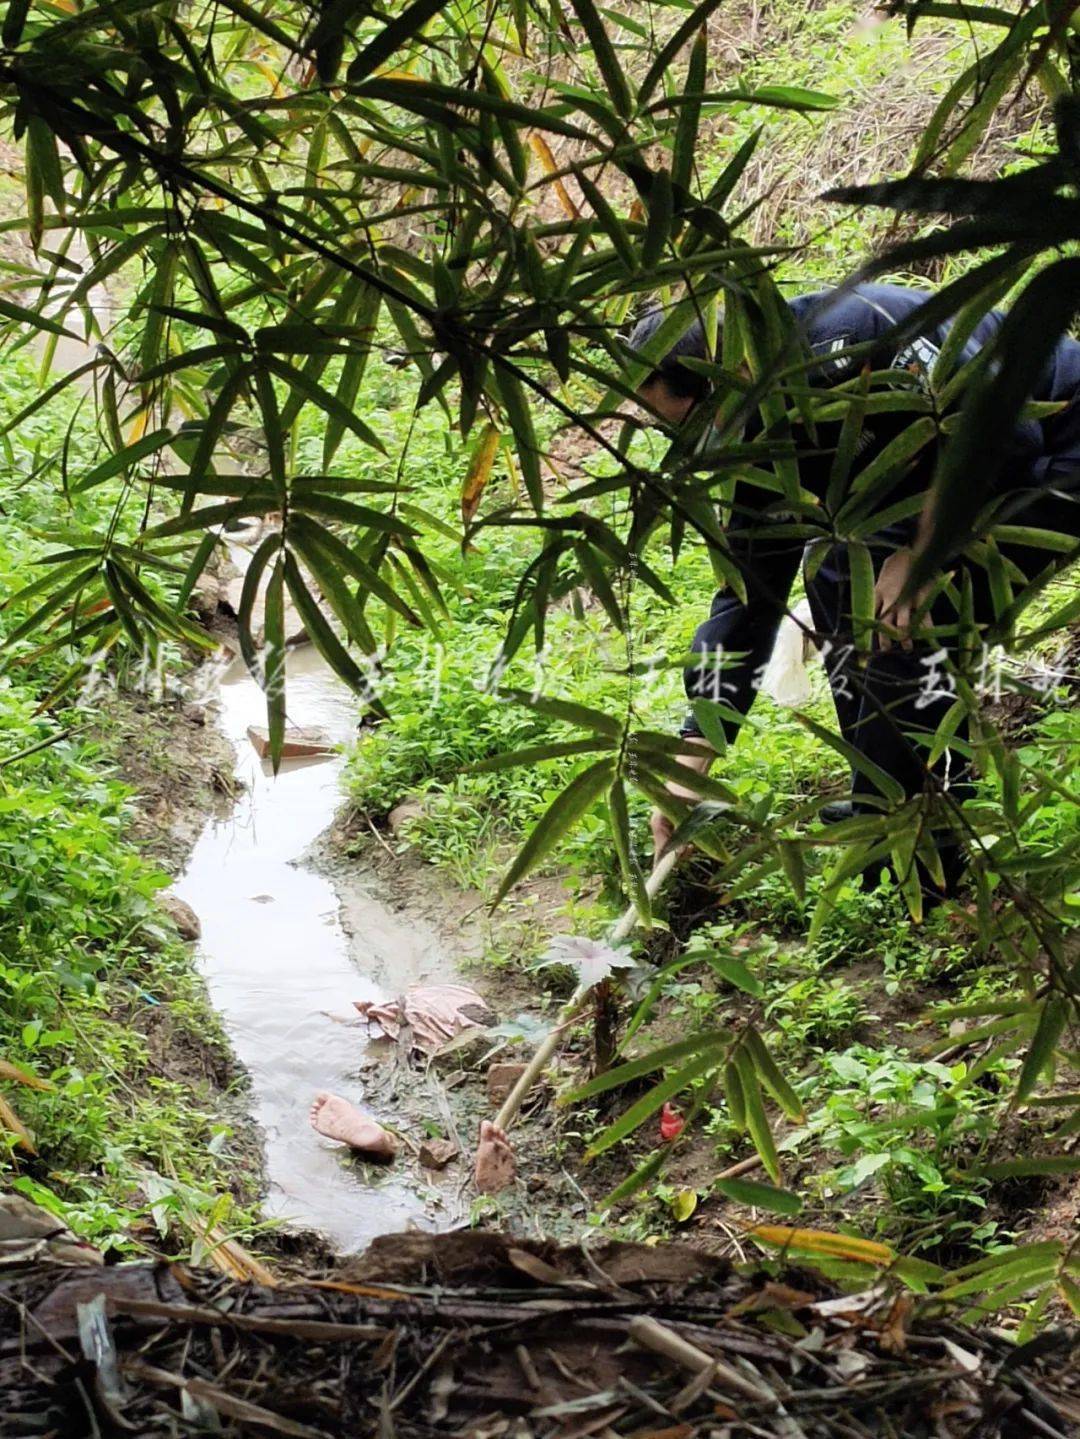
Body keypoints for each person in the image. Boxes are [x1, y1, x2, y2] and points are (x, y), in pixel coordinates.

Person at [631, 283, 1080, 896]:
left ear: (730, 370)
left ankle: (933, 833)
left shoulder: (851, 341)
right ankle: (886, 798)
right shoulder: (757, 426)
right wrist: (689, 769)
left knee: (910, 609)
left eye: (690, 425)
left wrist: (924, 553)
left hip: (1053, 447)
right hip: (937, 481)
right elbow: (748, 596)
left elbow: (1003, 431)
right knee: (837, 570)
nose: (694, 446)